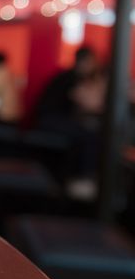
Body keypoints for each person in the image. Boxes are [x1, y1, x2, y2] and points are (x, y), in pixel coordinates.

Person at [34, 46, 101, 197]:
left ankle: (74, 178)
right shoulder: (71, 77)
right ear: (84, 61)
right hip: (49, 120)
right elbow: (90, 104)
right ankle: (84, 180)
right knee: (89, 136)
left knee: (85, 134)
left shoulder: (67, 75)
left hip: (48, 119)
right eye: (91, 62)